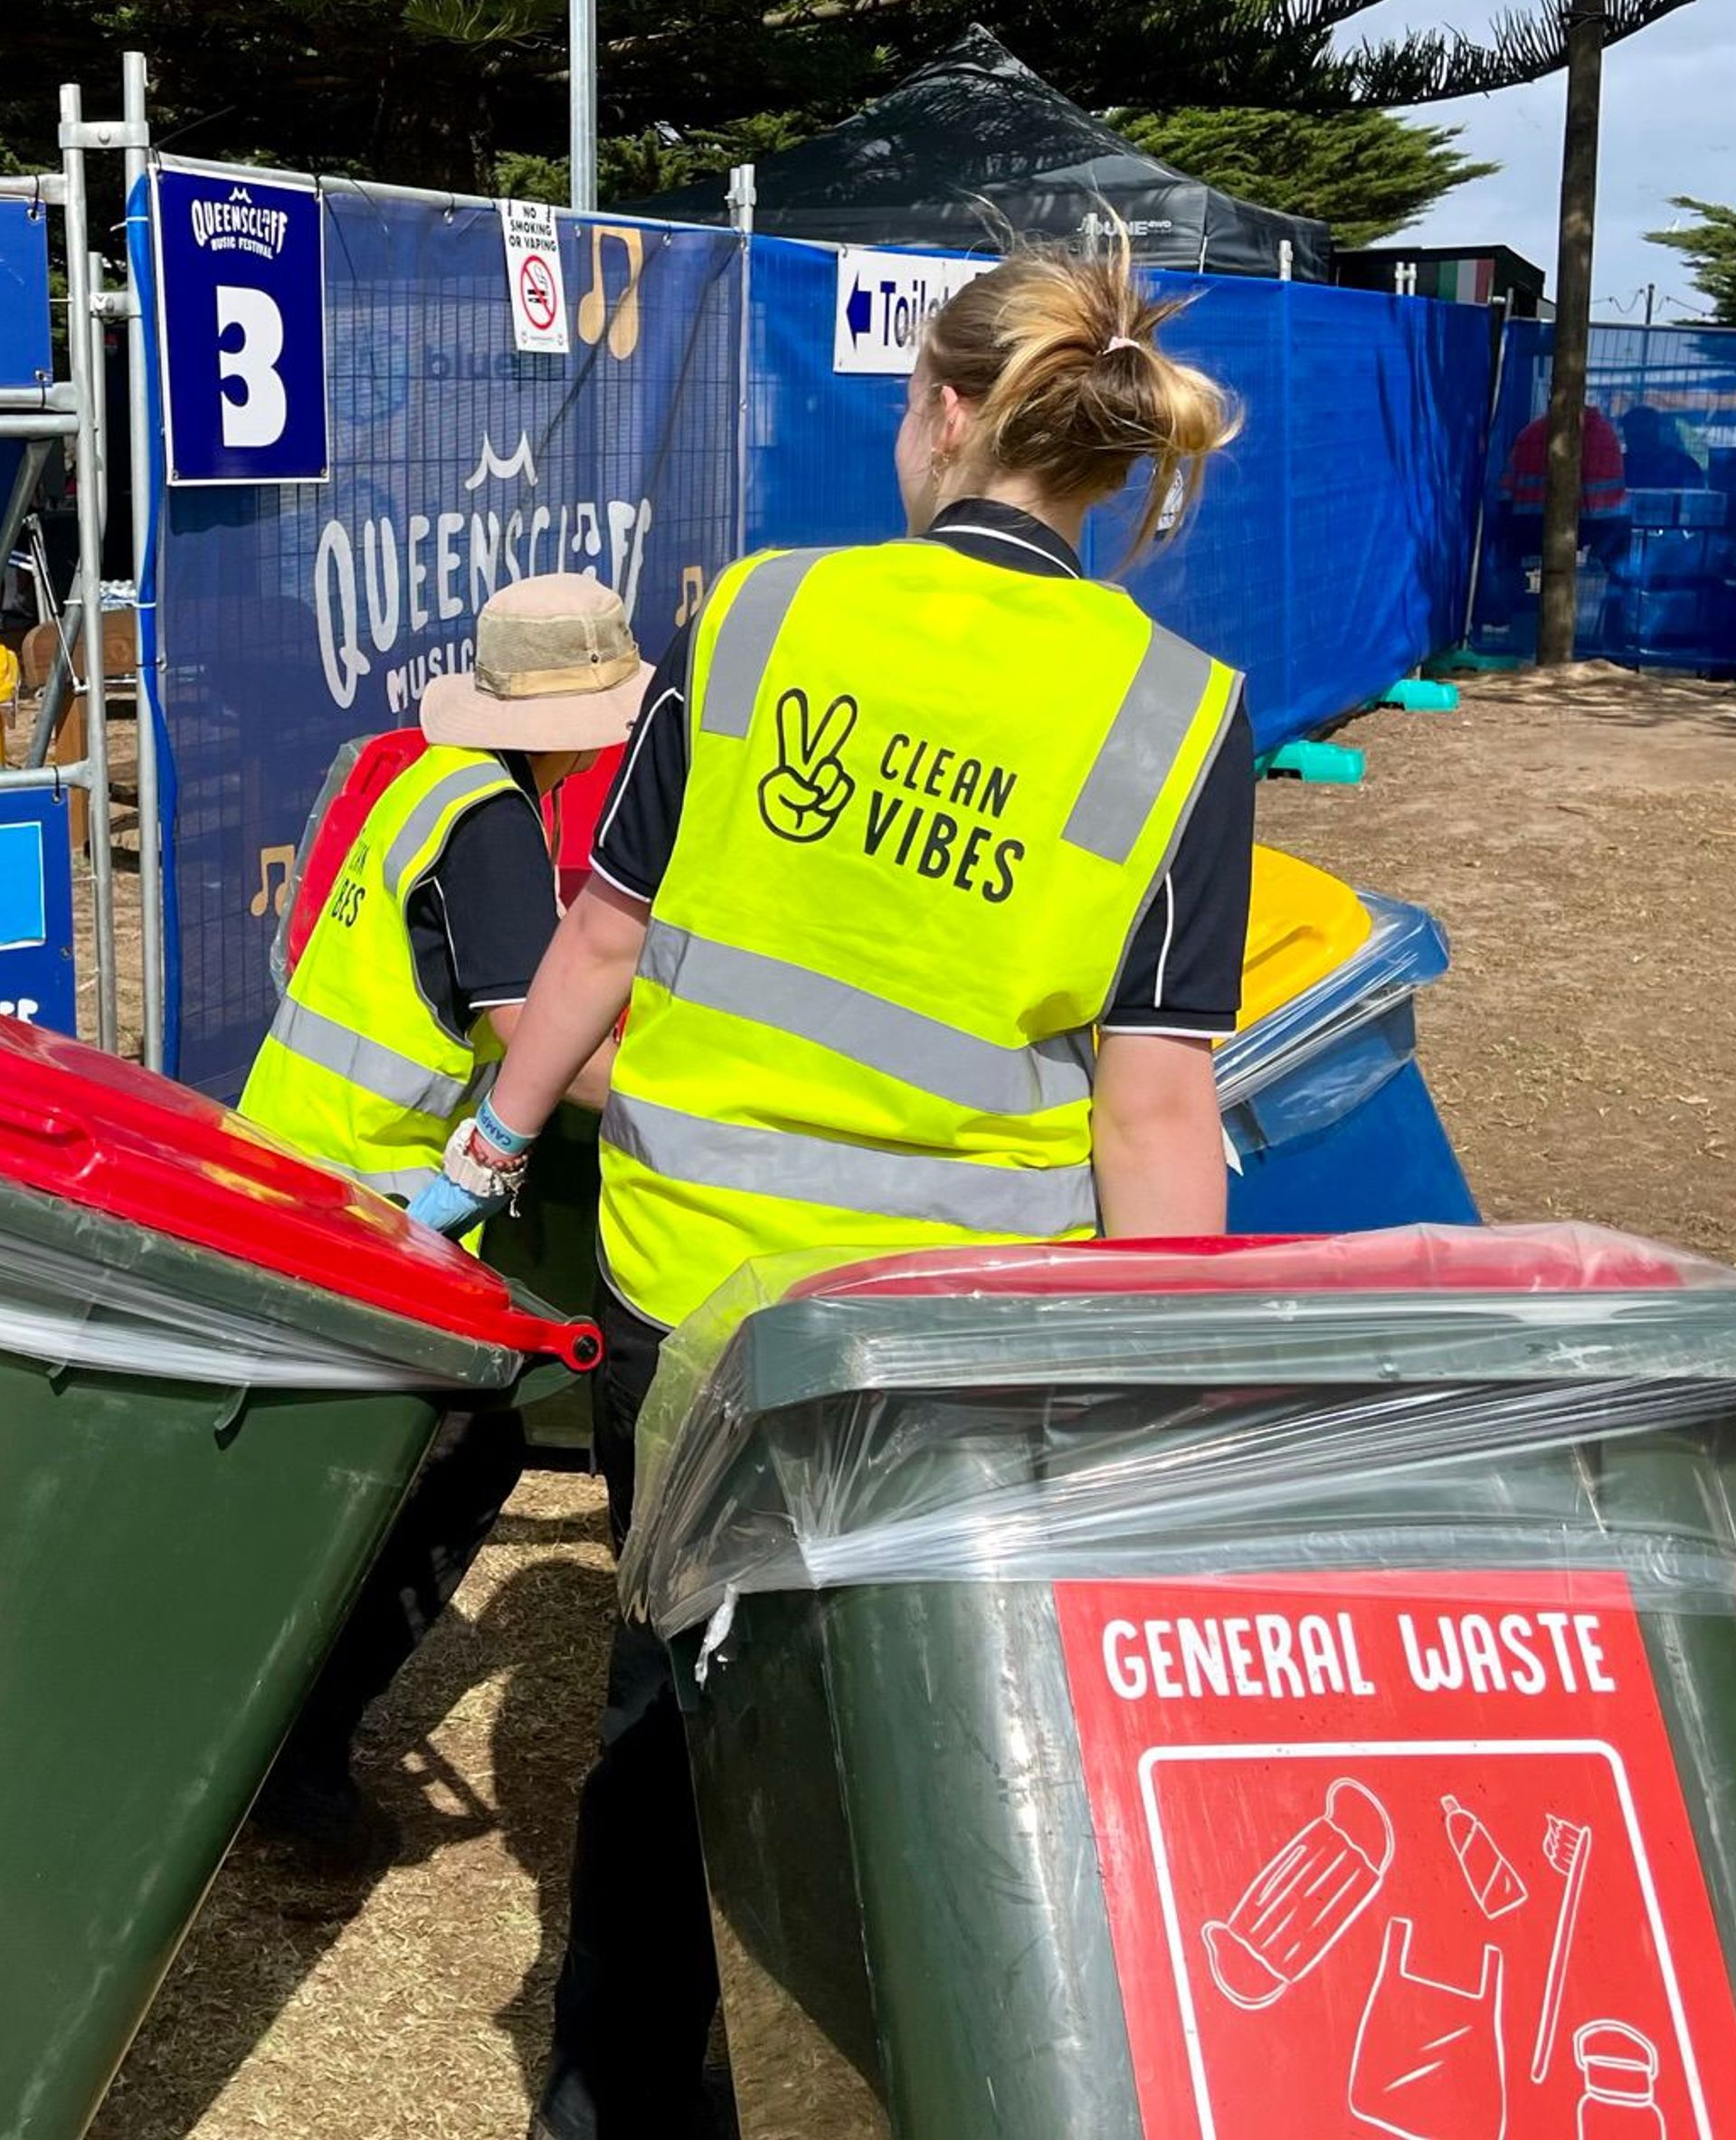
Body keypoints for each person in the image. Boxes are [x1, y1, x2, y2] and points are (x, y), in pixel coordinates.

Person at [412, 246, 1258, 2138]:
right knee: (934, 1717)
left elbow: (603, 941)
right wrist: (1161, 1399)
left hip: (688, 1300)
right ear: (1106, 458)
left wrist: (480, 1156)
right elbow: (1154, 1106)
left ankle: (615, 2102)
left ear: (943, 412)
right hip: (954, 1340)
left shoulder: (763, 616)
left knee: (670, 1705)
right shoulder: (1179, 710)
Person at [234, 572, 650, 1852]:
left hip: (298, 1161)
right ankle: (293, 1762)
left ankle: (276, 1738)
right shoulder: (492, 826)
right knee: (468, 1453)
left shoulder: (426, 780)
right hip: (362, 1198)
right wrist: (695, 1096)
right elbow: (552, 1049)